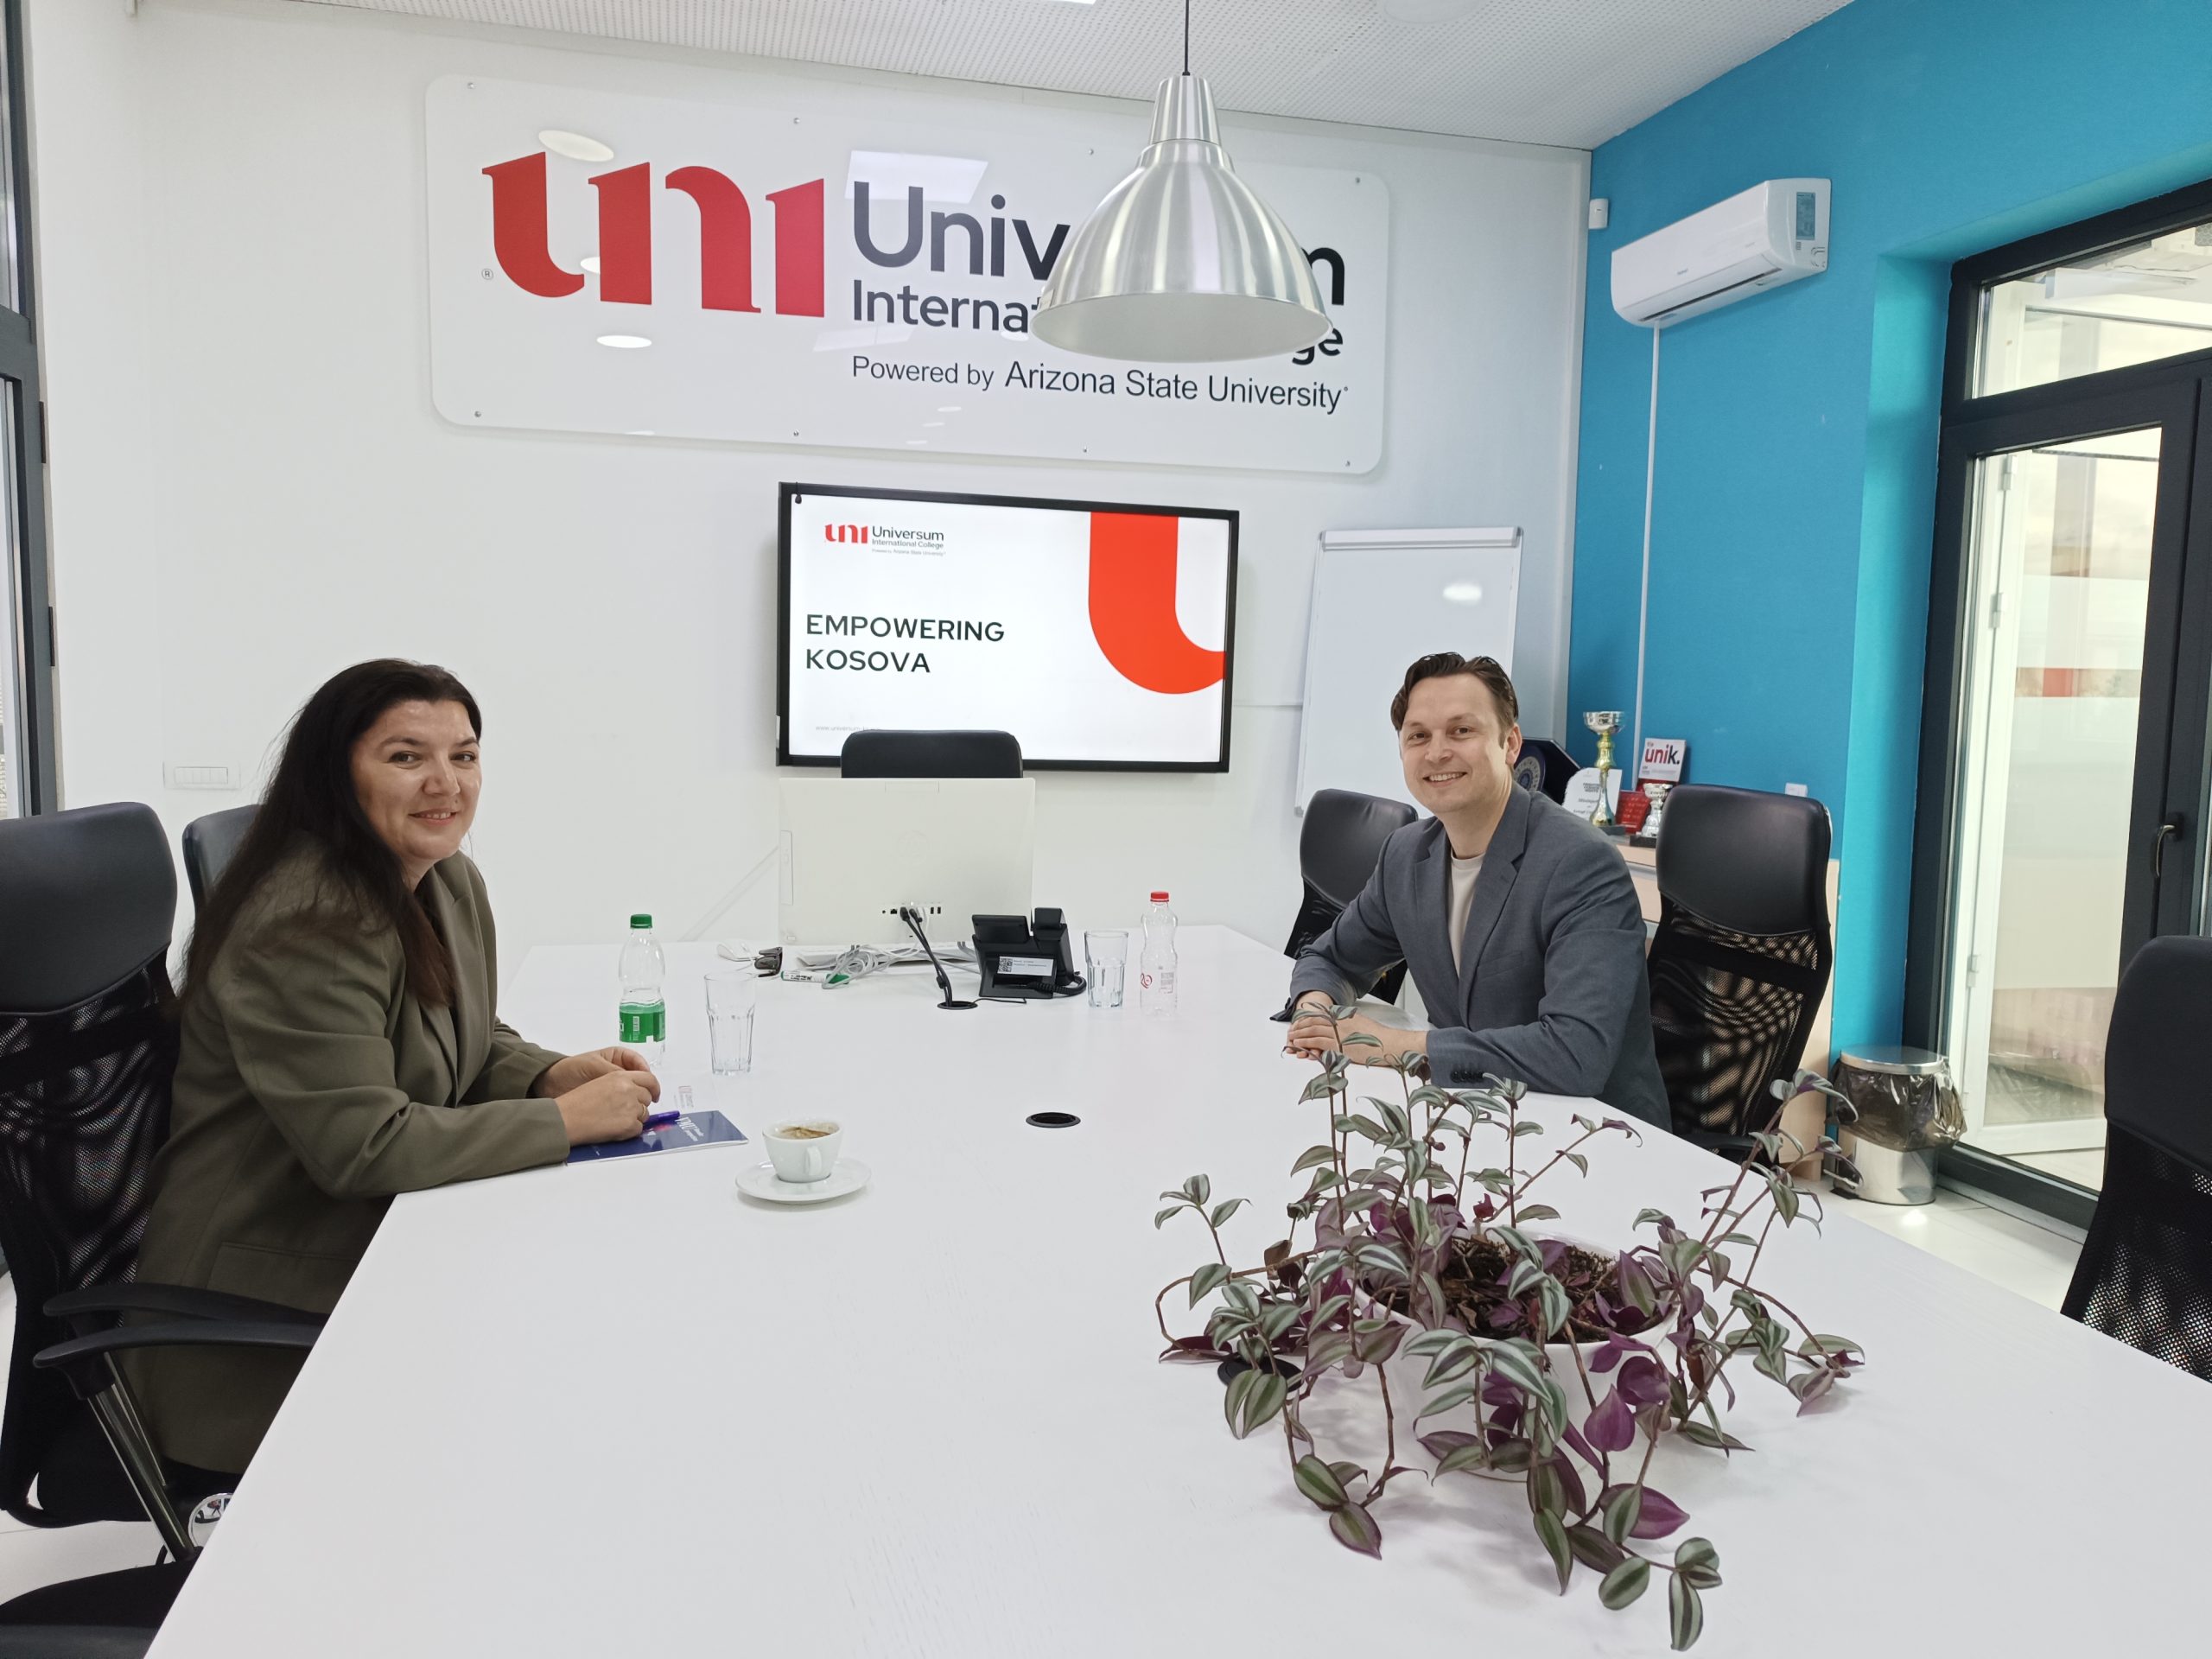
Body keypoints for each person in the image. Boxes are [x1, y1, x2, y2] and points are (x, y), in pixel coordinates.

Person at [130, 659, 660, 1478]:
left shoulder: (446, 880)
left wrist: (545, 1076)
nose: (446, 783)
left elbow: (456, 1033)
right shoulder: (308, 923)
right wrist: (564, 1122)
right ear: (336, 774)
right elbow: (365, 1147)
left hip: (379, 1244)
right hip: (261, 1305)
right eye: (407, 757)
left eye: (465, 755)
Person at [1284, 652, 1669, 1128]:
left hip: (1591, 1133)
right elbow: (1329, 958)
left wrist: (1399, 1045)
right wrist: (1314, 1012)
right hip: (1472, 1115)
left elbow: (1576, 1053)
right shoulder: (1406, 854)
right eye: (1418, 736)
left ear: (1510, 744)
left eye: (1461, 731)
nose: (1436, 752)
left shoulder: (1580, 863)